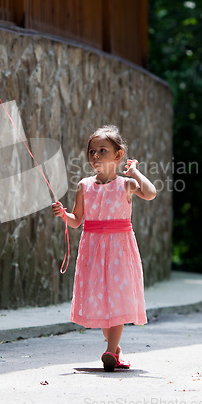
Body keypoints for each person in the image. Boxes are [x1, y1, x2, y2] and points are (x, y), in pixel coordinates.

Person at [52, 125, 157, 371]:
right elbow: (77, 220)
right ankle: (115, 350)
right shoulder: (84, 186)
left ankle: (110, 351)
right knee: (101, 298)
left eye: (102, 150)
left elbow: (150, 193)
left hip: (120, 248)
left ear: (118, 155)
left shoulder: (126, 185)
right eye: (91, 152)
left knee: (117, 298)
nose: (95, 156)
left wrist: (136, 173)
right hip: (93, 248)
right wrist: (63, 214)